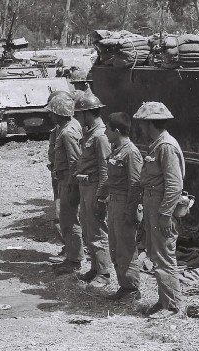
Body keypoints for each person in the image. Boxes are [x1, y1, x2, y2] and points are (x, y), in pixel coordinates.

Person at [133, 102, 185, 318]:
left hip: (161, 210)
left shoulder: (166, 146)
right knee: (157, 256)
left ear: (148, 123)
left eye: (142, 124)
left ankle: (172, 307)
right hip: (154, 207)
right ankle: (164, 300)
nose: (140, 128)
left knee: (164, 257)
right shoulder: (157, 144)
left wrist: (164, 214)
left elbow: (175, 185)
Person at [98, 112, 143, 301]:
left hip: (125, 204)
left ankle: (132, 289)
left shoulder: (131, 152)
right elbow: (111, 179)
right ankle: (124, 286)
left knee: (126, 249)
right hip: (114, 203)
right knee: (115, 247)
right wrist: (101, 196)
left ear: (116, 130)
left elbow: (135, 185)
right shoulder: (117, 150)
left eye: (107, 129)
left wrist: (130, 212)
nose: (105, 133)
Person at [74, 91, 112, 285]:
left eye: (79, 114)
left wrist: (101, 197)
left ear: (87, 113)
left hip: (95, 187)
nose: (77, 118)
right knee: (89, 230)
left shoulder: (100, 136)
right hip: (86, 187)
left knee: (98, 231)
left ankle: (104, 273)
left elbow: (105, 168)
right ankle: (95, 268)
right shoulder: (90, 132)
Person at [46, 93, 84, 273]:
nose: (50, 115)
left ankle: (74, 260)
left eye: (52, 112)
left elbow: (75, 161)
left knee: (69, 221)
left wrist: (71, 185)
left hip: (68, 181)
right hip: (65, 179)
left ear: (58, 113)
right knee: (67, 220)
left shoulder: (68, 132)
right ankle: (71, 255)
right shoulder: (68, 126)